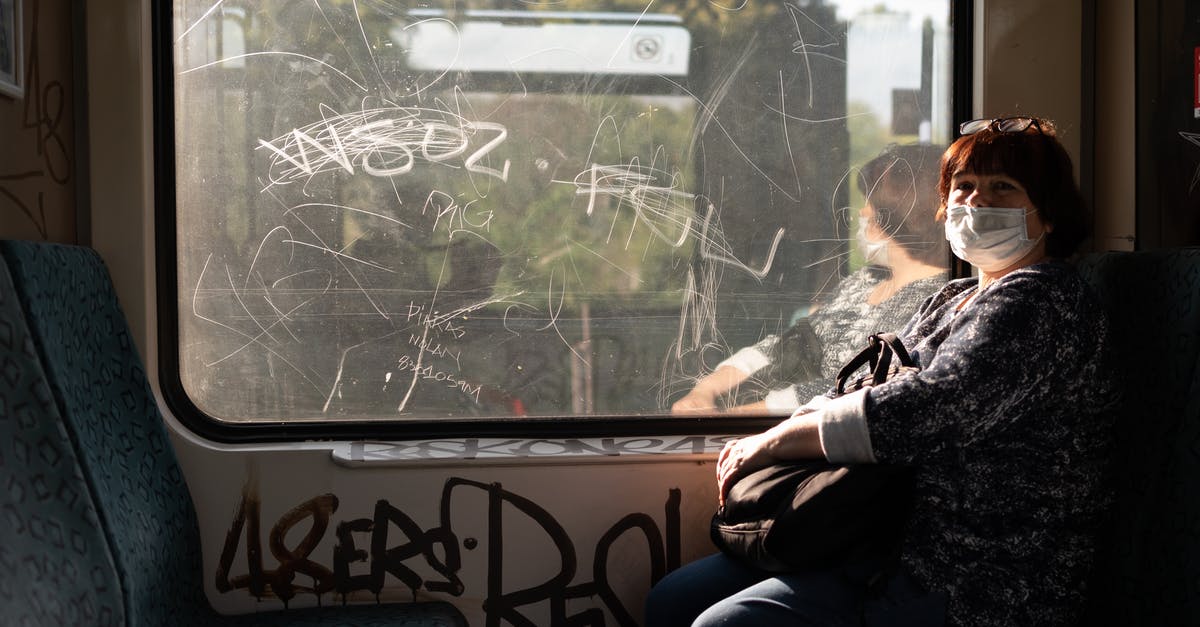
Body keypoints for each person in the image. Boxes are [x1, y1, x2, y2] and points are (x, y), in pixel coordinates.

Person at [646, 117, 1115, 626]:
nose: (977, 202)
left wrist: (772, 442)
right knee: (674, 597)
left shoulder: (1042, 300)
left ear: (1048, 216)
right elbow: (867, 382)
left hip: (976, 575)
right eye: (964, 186)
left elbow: (922, 409)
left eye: (1003, 187)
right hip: (886, 538)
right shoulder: (952, 300)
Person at [673, 144, 948, 416]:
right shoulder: (863, 281)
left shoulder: (933, 303)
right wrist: (704, 391)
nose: (862, 213)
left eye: (872, 203)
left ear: (903, 215)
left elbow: (851, 388)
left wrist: (728, 418)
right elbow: (784, 346)